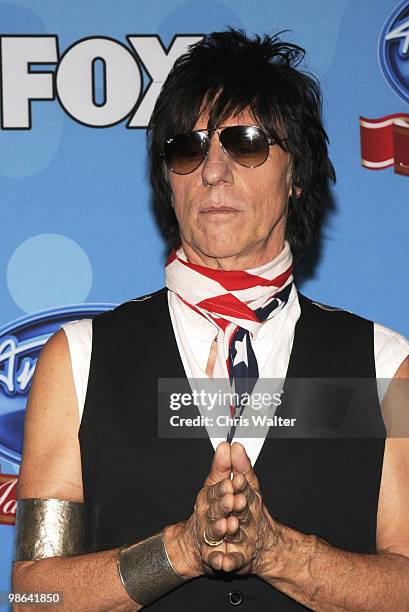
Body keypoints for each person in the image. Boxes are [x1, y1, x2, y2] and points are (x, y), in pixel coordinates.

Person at [12, 29, 409, 611]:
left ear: (297, 173)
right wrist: (180, 550)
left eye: (245, 142)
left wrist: (276, 553)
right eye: (187, 148)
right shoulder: (78, 358)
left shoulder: (386, 367)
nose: (213, 171)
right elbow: (34, 593)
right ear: (167, 179)